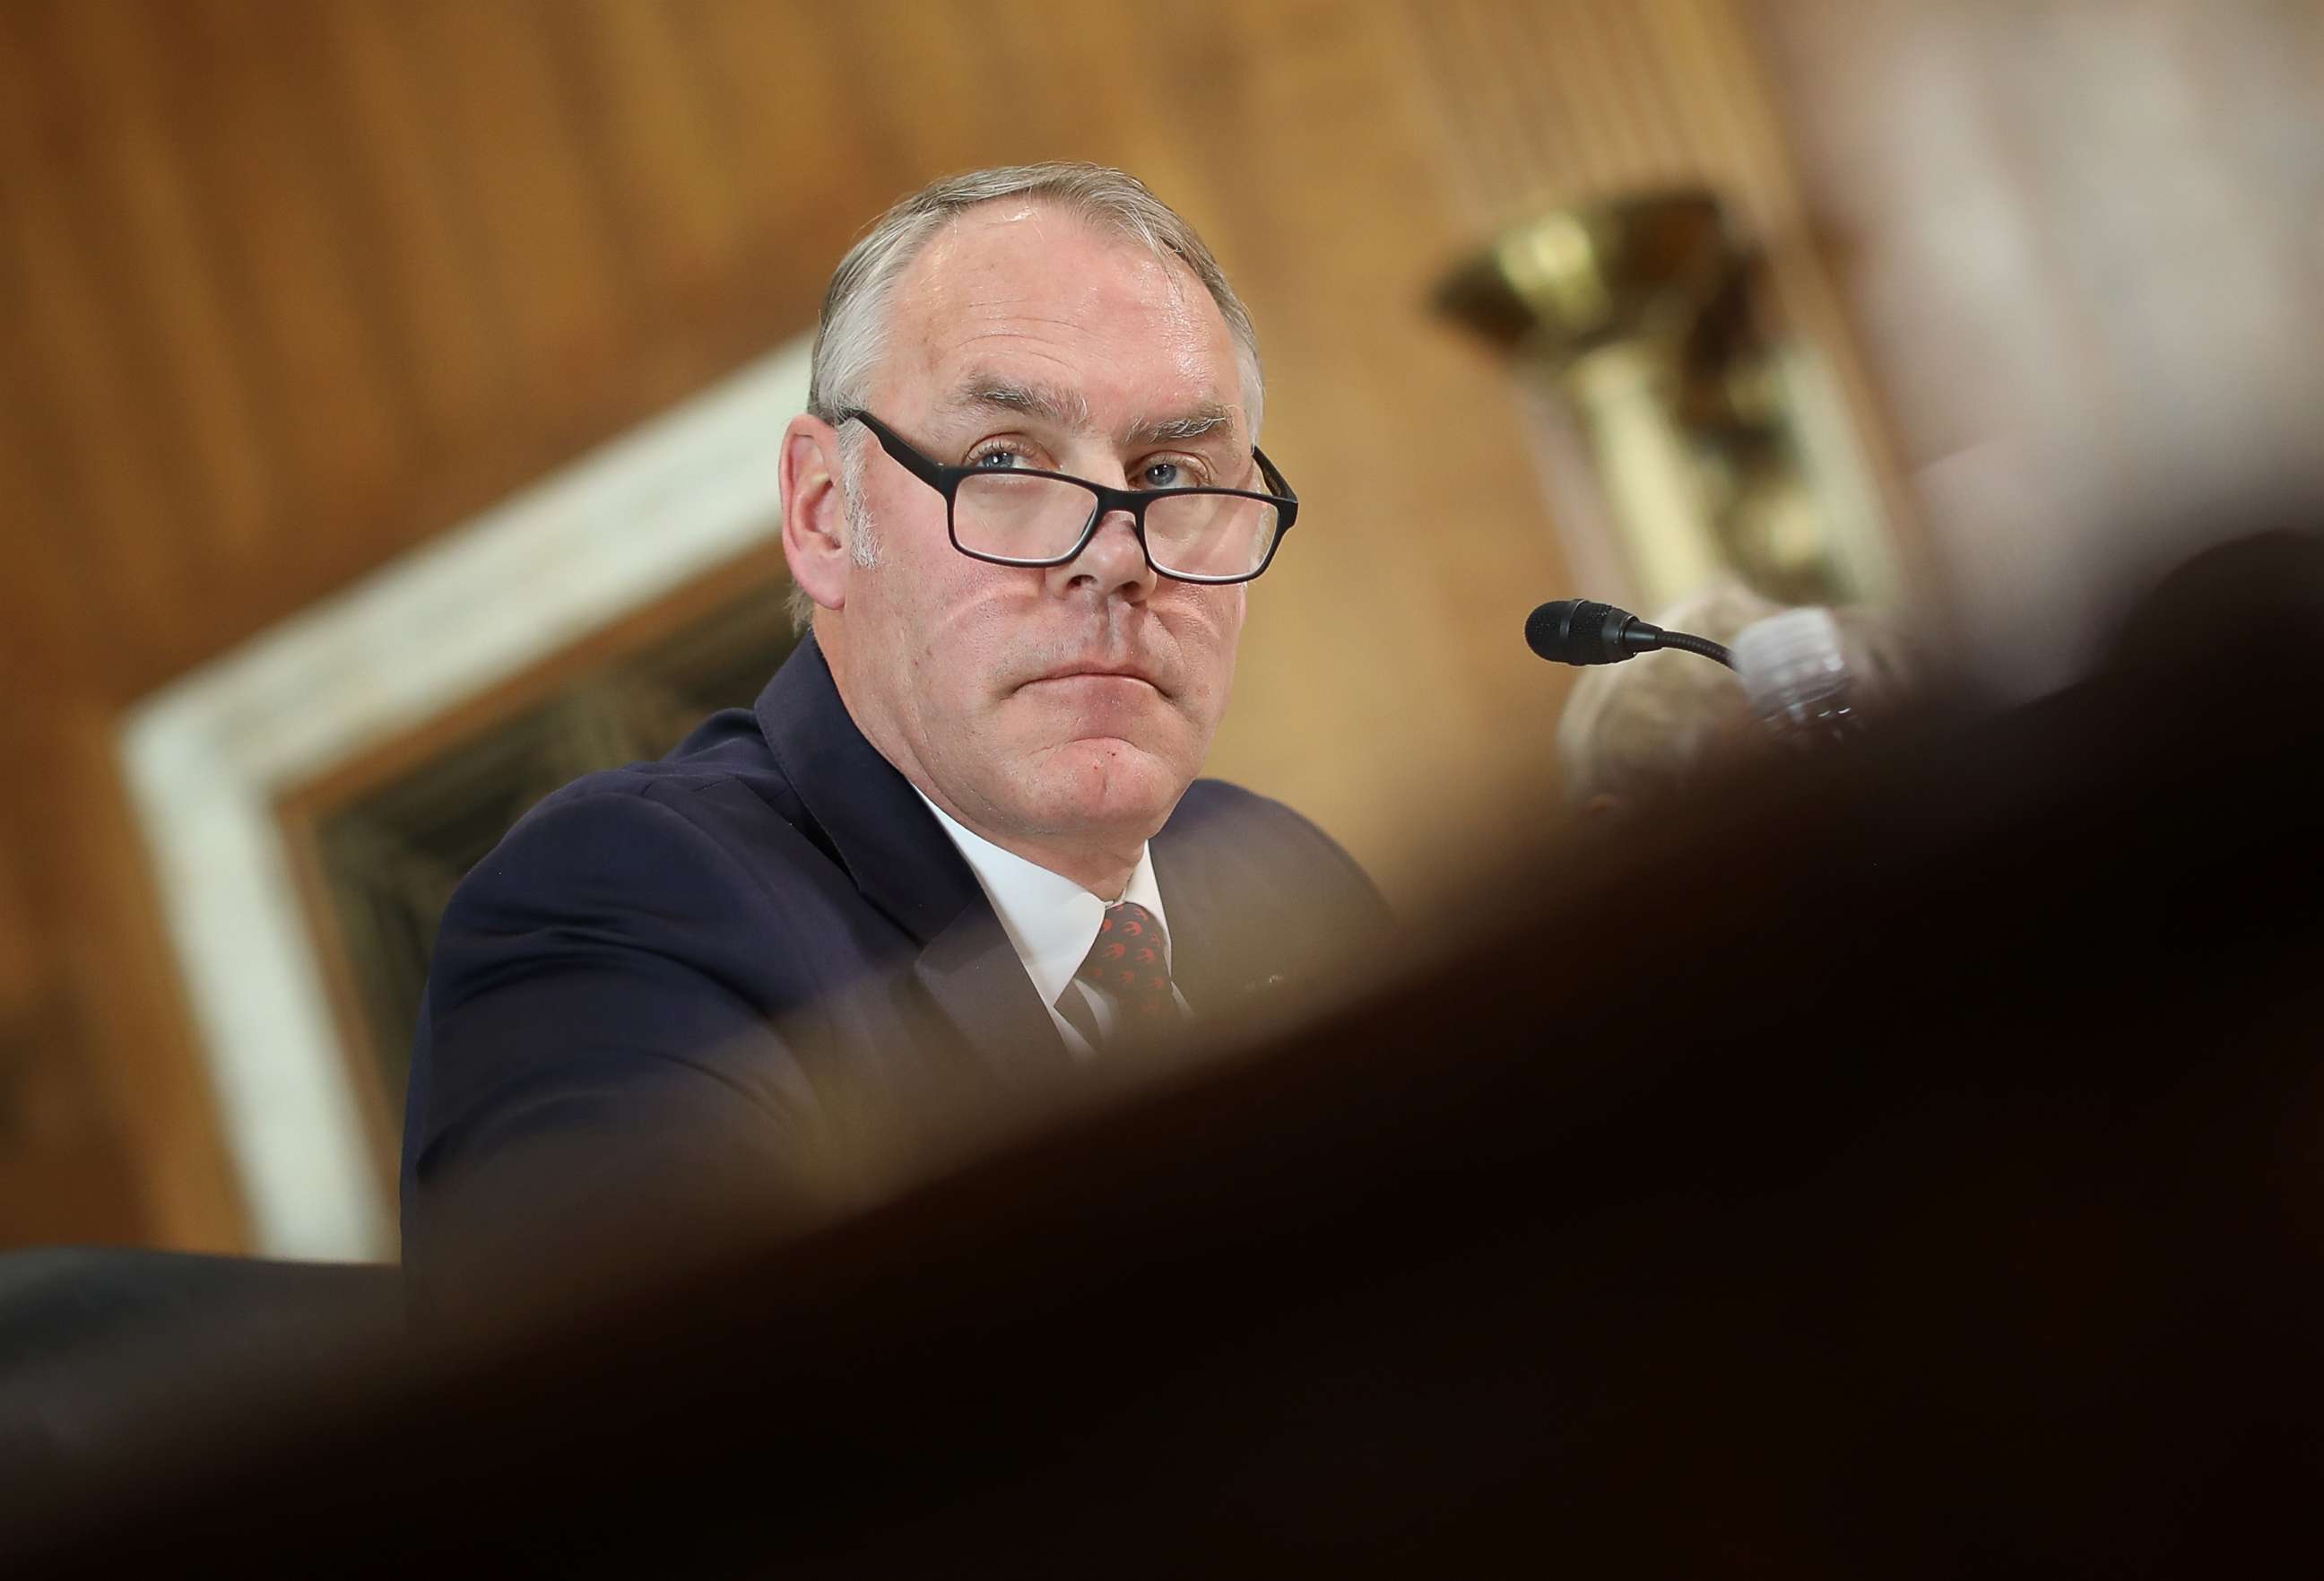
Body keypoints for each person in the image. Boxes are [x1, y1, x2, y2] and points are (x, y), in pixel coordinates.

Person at [400, 164, 1390, 1309]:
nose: (1114, 553)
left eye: (1169, 472)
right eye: (1008, 460)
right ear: (825, 512)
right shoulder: (629, 904)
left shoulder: (1285, 878)